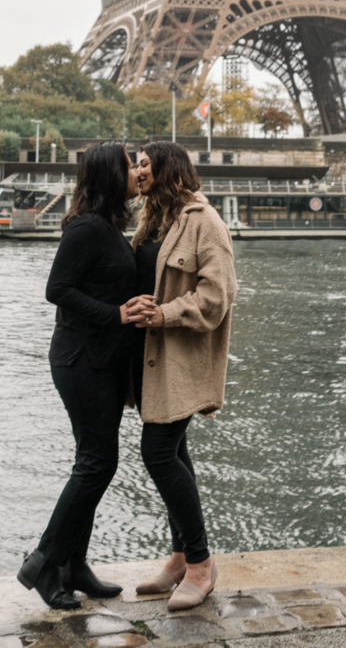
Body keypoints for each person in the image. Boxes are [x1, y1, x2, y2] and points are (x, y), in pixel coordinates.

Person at [17, 142, 138, 611]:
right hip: (80, 360)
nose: (135, 171)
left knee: (95, 461)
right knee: (96, 463)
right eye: (129, 165)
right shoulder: (87, 228)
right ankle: (45, 561)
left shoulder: (107, 224)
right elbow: (57, 290)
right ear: (111, 174)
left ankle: (74, 565)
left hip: (99, 361)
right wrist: (118, 315)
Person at [126, 141, 238, 611]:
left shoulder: (205, 223)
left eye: (146, 163)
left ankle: (199, 563)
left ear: (169, 167)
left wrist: (165, 314)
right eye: (135, 164)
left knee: (157, 452)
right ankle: (178, 558)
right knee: (175, 453)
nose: (138, 170)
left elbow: (218, 296)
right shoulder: (151, 219)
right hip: (150, 357)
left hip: (181, 357)